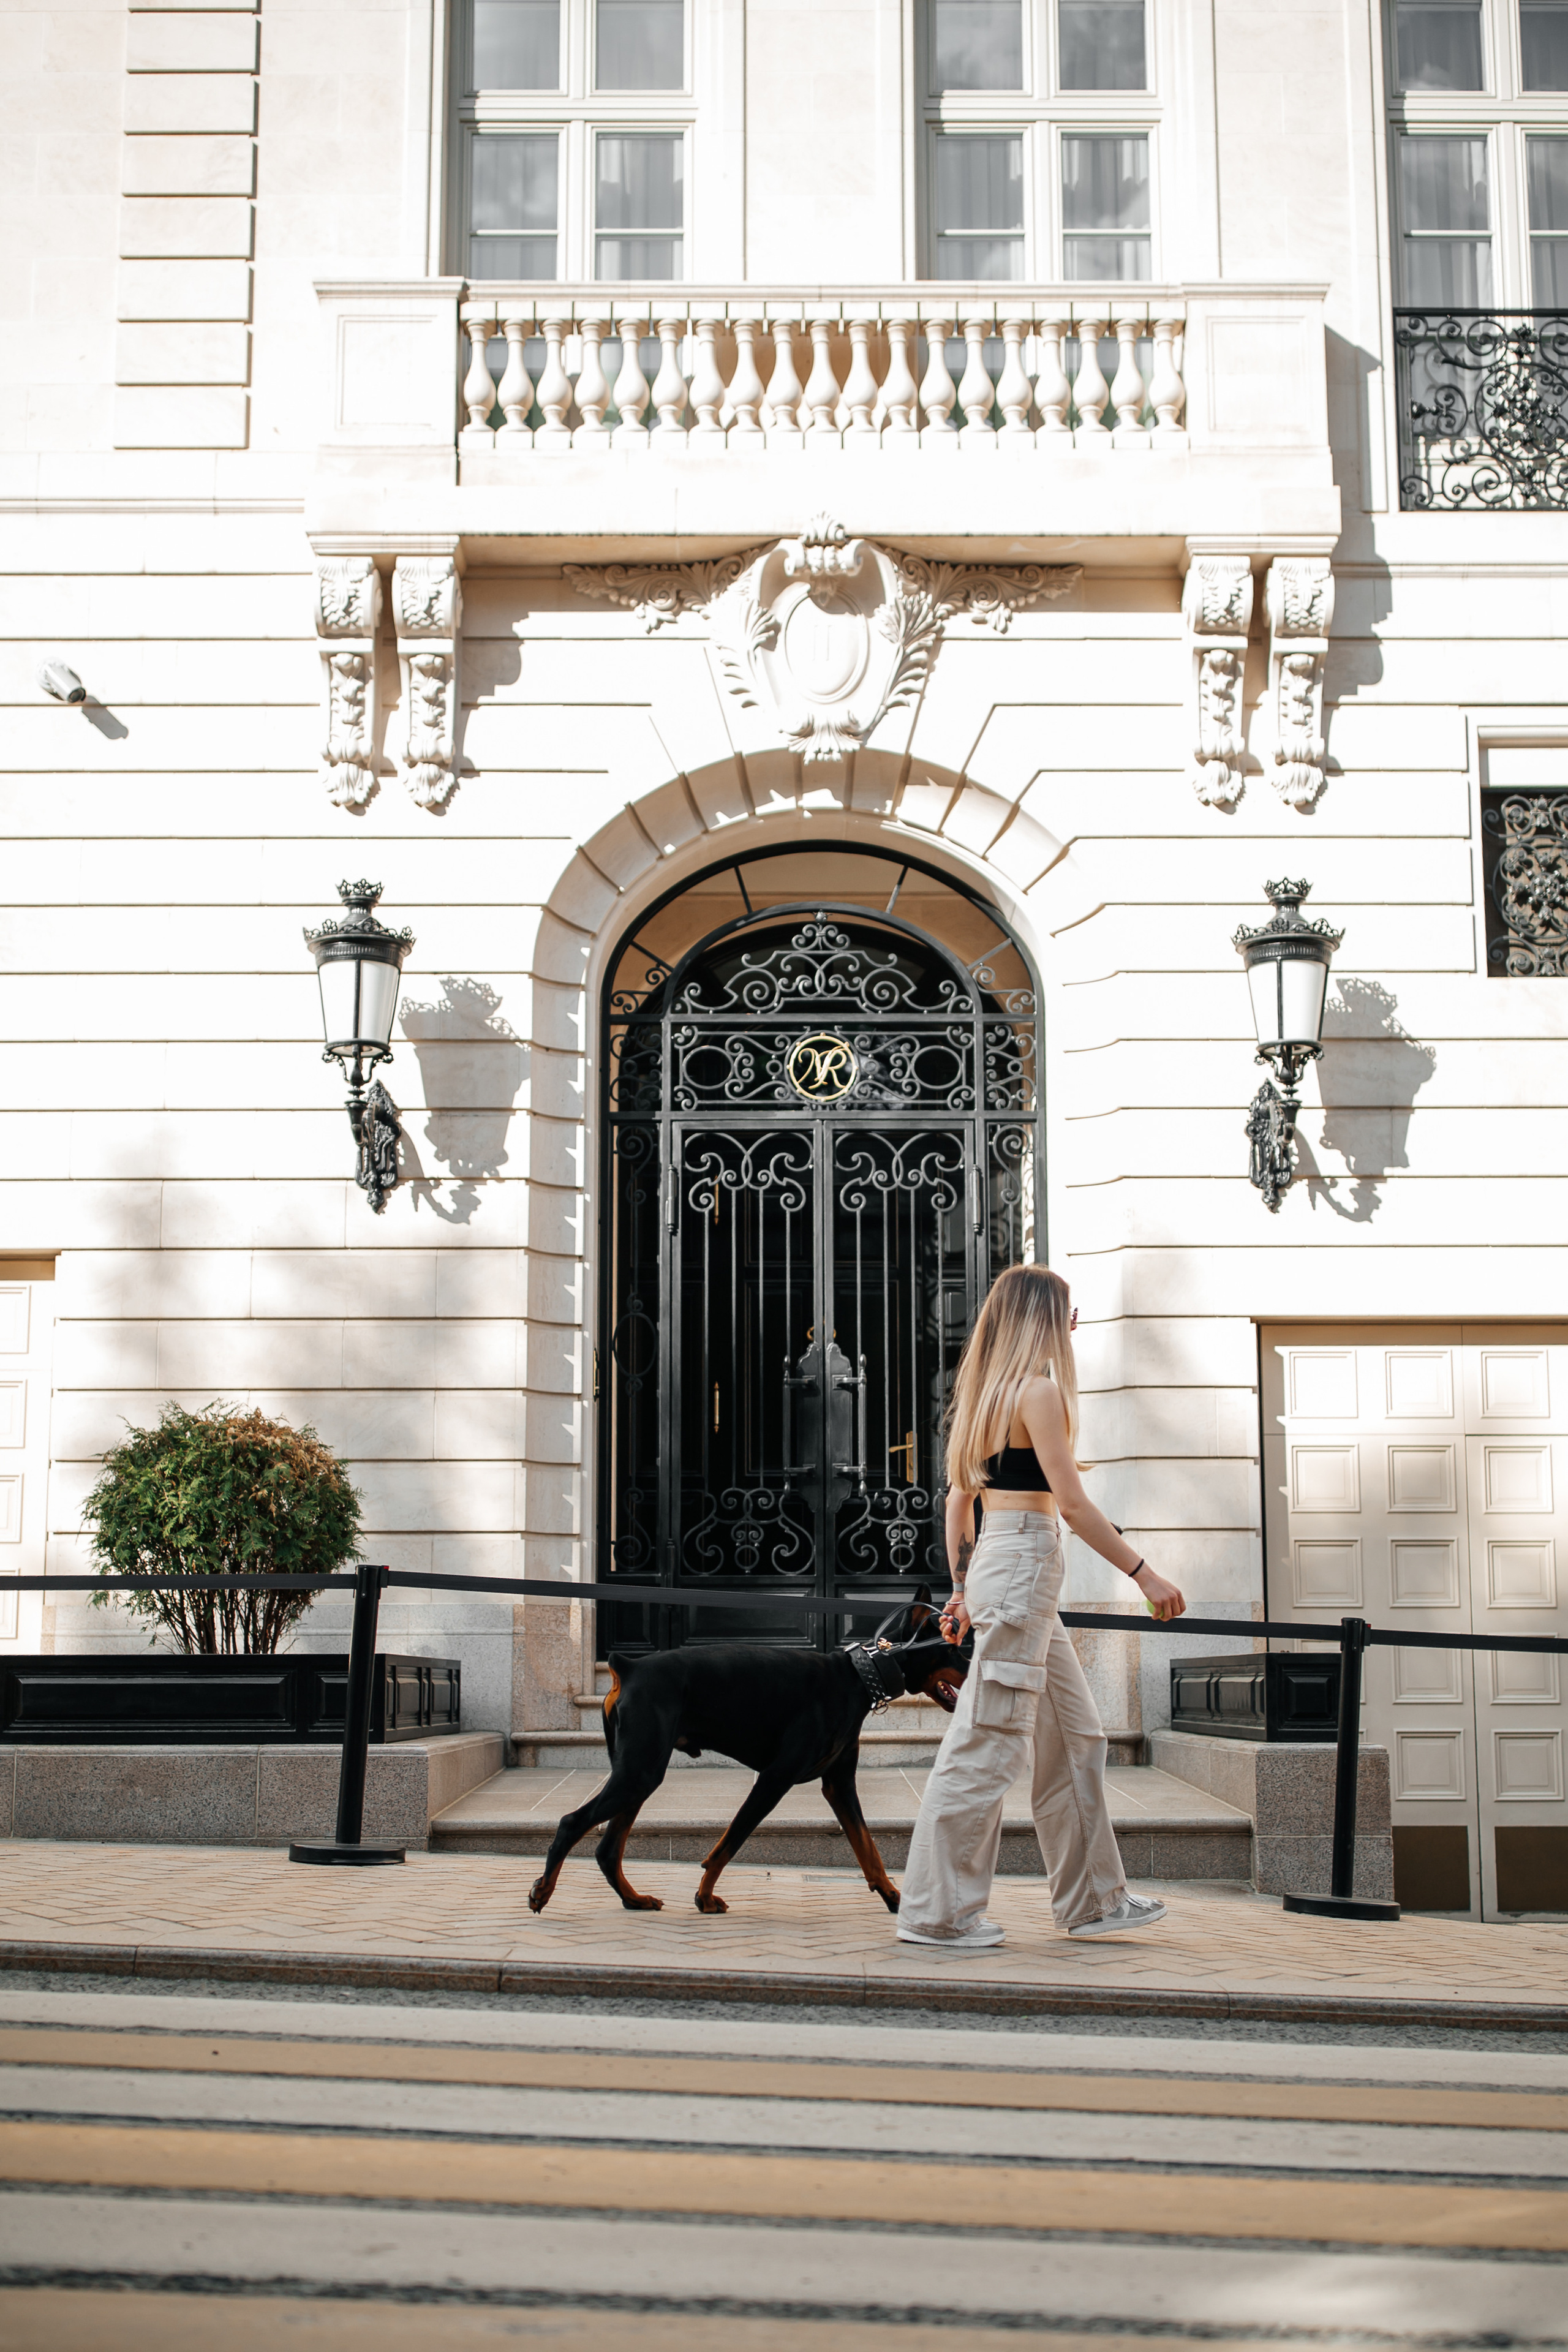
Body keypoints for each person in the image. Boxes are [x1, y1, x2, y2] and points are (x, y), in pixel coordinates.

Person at [897, 1264, 1186, 1951]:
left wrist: (963, 1589)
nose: (1073, 1324)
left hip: (1008, 1567)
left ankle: (1094, 1902)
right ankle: (936, 1914)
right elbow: (1075, 1506)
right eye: (1065, 1313)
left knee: (1077, 1736)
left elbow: (957, 1502)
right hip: (1025, 1564)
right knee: (986, 1744)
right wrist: (1145, 1575)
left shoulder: (981, 1397)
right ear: (1043, 1321)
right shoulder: (1038, 1392)